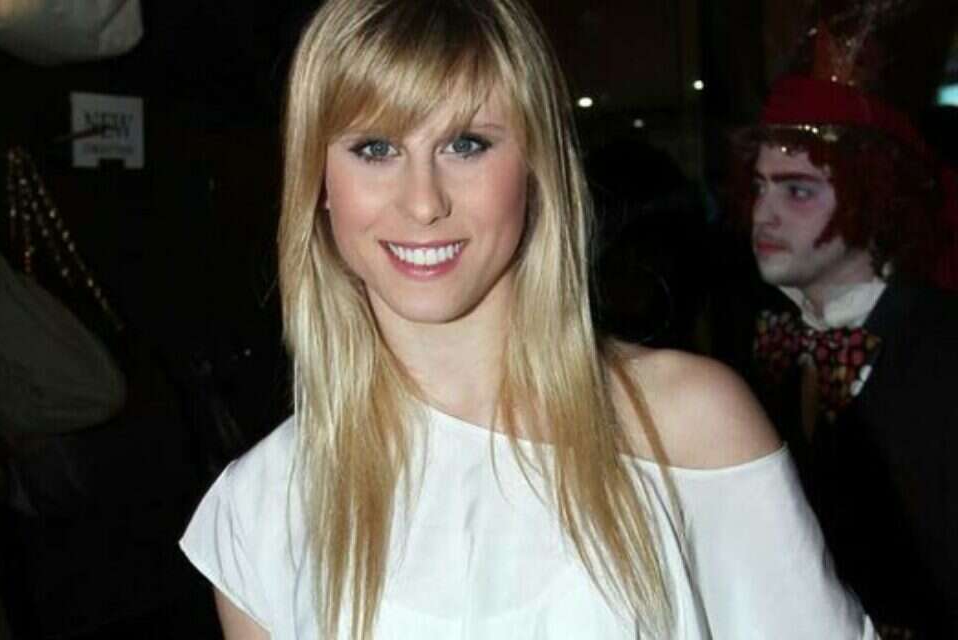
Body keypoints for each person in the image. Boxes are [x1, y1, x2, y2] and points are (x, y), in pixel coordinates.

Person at [180, 1, 877, 638]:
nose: (422, 202)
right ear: (319, 183)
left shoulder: (688, 427)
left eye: (465, 144)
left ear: (535, 167)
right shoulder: (261, 508)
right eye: (376, 149)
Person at [731, 11, 958, 638]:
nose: (764, 213)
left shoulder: (944, 348)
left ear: (873, 197)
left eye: (798, 190)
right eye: (759, 187)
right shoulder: (749, 343)